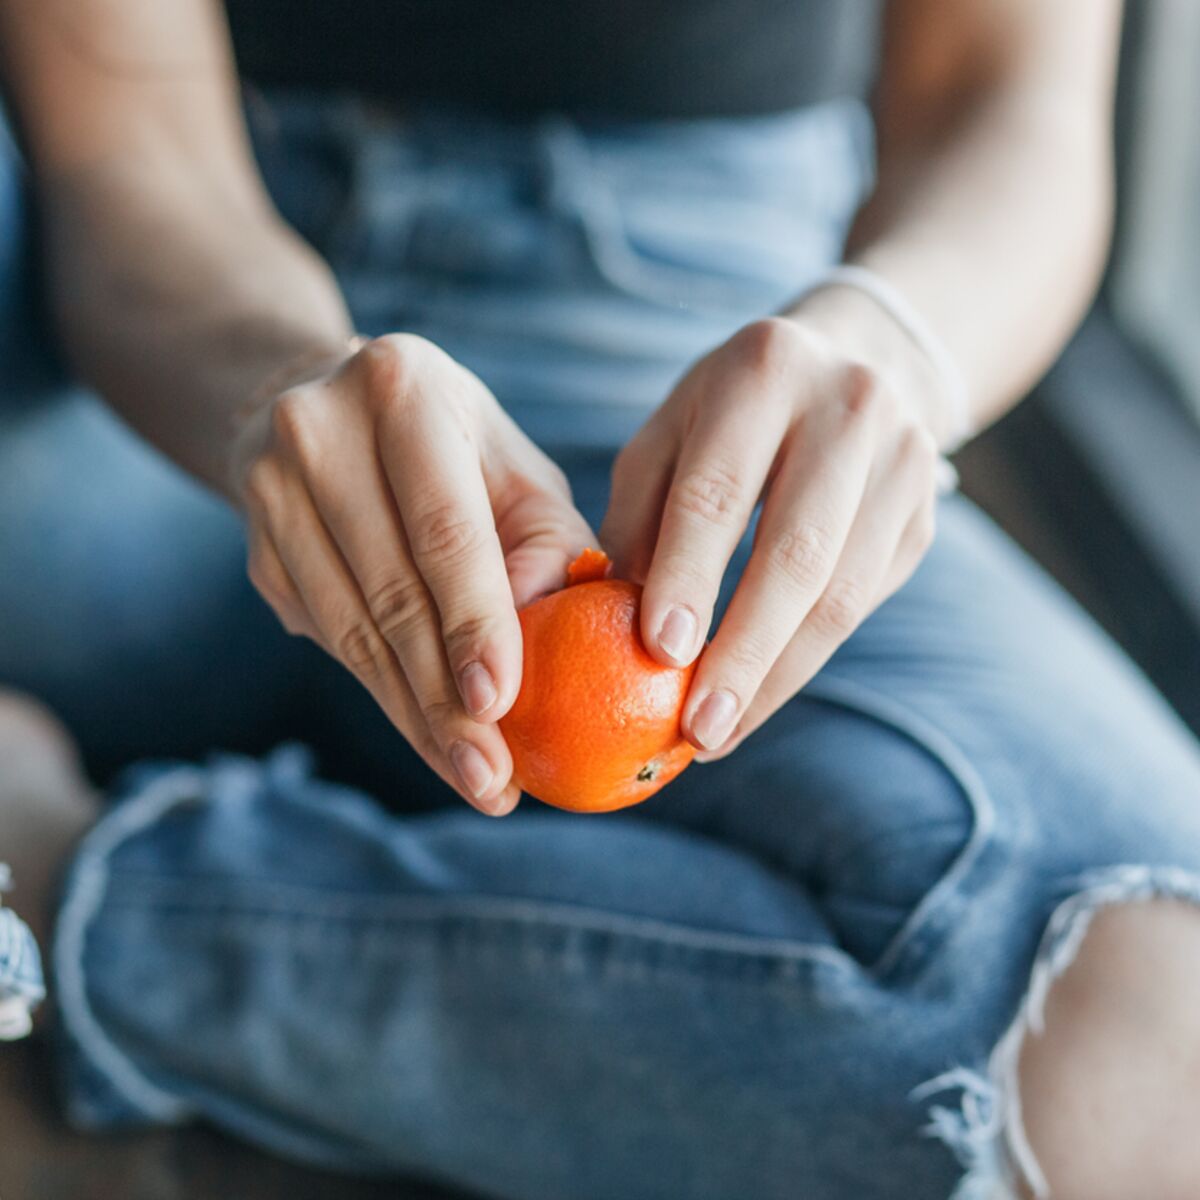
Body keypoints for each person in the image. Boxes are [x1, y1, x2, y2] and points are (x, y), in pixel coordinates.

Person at [2, 0, 1200, 1197]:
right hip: (163, 338)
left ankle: (70, 884)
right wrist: (272, 383)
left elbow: (1011, 106)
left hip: (695, 319)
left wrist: (899, 339)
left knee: (1142, 1060)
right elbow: (127, 154)